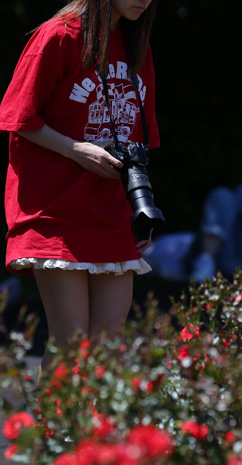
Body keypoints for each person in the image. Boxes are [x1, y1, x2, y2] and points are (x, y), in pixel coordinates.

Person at [0, 0, 160, 373]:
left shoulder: (137, 43)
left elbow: (138, 139)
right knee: (72, 344)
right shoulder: (58, 36)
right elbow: (17, 116)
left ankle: (96, 433)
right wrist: (76, 150)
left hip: (111, 211)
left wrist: (143, 208)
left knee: (108, 346)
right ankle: (57, 432)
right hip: (56, 209)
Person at [143, 184, 242, 282]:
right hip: (221, 261)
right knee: (222, 196)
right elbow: (152, 268)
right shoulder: (154, 251)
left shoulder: (159, 244)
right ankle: (206, 260)